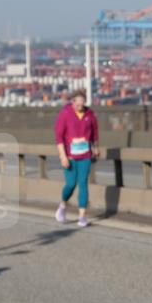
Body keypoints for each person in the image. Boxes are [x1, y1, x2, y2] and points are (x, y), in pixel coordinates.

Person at [53, 89, 99, 227]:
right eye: (78, 105)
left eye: (83, 104)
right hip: (70, 156)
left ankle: (82, 217)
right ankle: (62, 205)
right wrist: (63, 156)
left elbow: (94, 133)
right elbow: (59, 137)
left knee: (83, 183)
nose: (81, 107)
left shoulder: (89, 114)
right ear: (72, 102)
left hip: (85, 155)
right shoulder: (65, 114)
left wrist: (95, 148)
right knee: (71, 184)